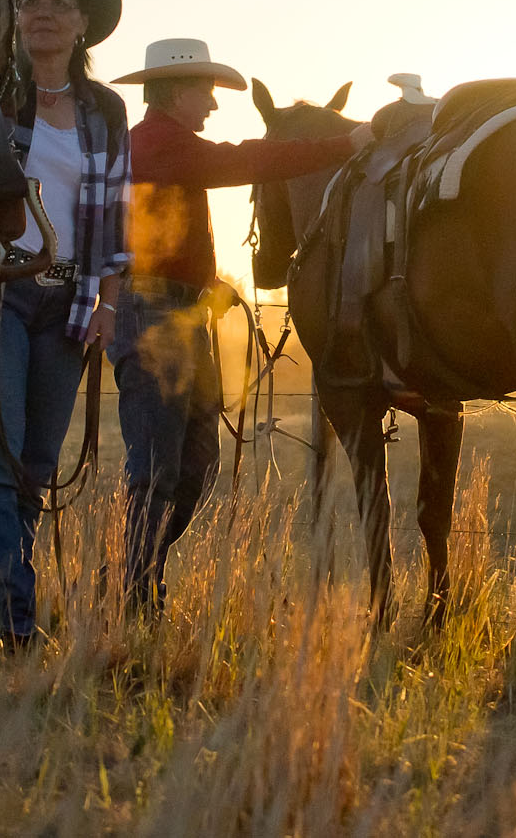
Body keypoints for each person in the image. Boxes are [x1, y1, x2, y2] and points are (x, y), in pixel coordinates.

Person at [110, 39, 372, 612]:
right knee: (157, 468)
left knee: (196, 462)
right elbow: (245, 160)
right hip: (153, 318)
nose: (212, 104)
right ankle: (132, 595)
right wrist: (344, 145)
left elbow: (164, 232)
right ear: (177, 91)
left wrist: (208, 281)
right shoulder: (157, 143)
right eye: (205, 92)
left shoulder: (165, 146)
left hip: (180, 312)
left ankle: (136, 570)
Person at [0, 0, 130, 648]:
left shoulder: (107, 110)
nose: (42, 14)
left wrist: (111, 305)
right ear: (14, 13)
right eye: (29, 0)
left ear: (82, 24)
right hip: (2, 290)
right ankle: (11, 622)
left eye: (58, 3)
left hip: (69, 305)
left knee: (37, 464)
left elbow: (118, 216)